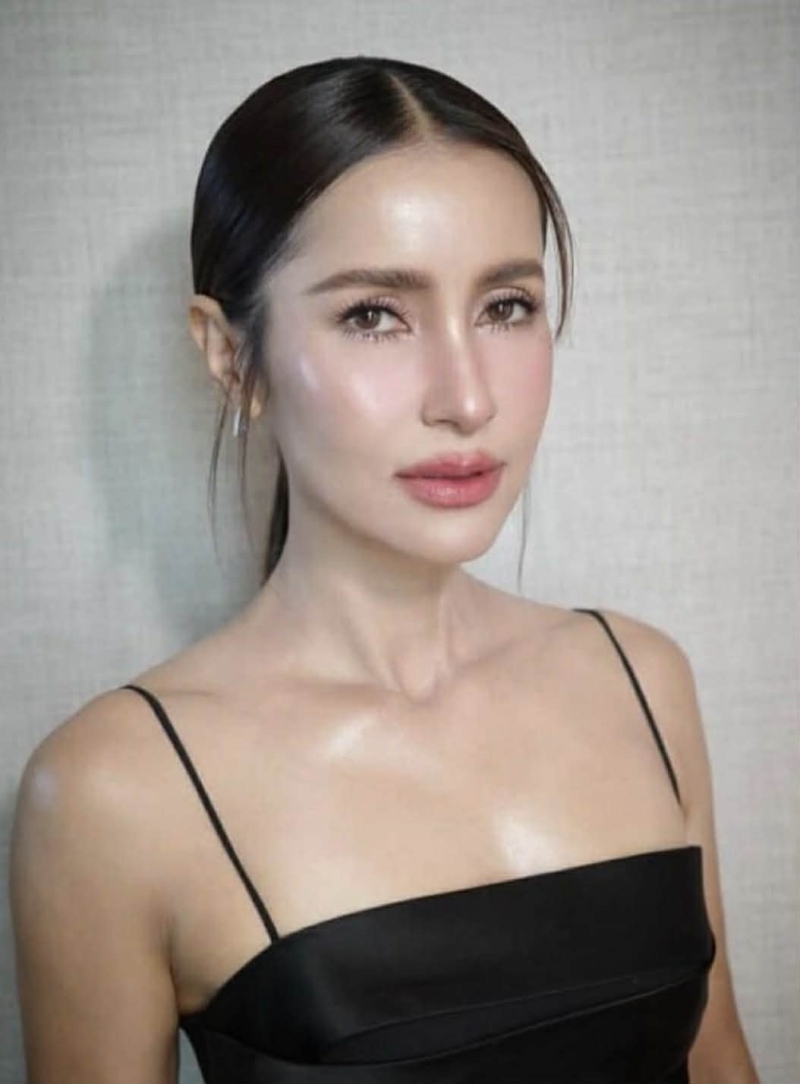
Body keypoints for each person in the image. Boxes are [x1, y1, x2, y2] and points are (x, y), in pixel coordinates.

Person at [9, 56, 759, 1084]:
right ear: (229, 356)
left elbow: (719, 1061)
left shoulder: (642, 679)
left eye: (505, 306)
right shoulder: (114, 791)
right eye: (374, 314)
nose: (467, 398)